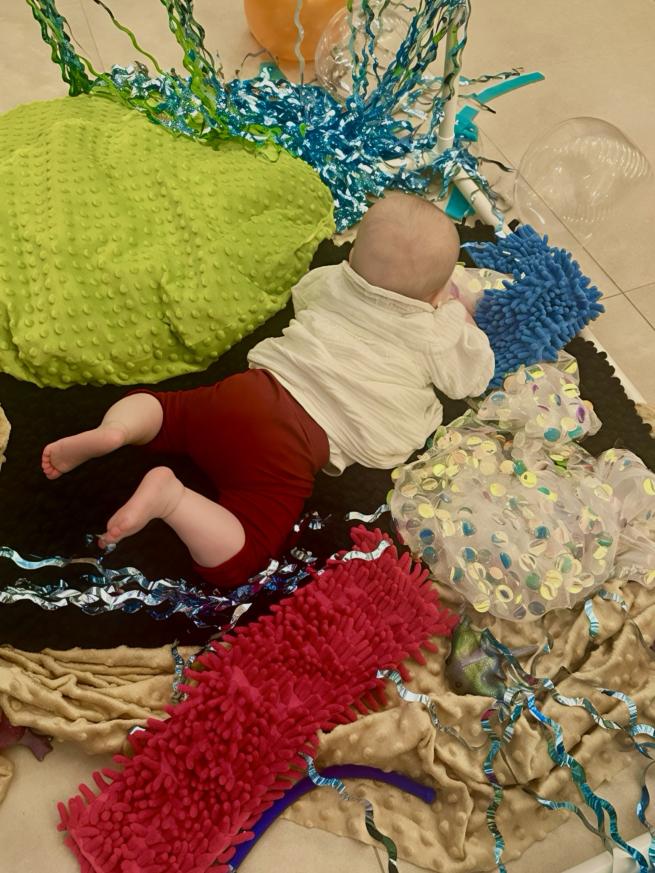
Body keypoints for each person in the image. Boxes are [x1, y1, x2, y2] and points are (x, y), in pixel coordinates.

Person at [41, 193, 494, 588]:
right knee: (243, 556)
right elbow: (469, 377)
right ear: (437, 291)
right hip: (290, 448)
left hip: (247, 392)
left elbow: (307, 295)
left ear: (354, 254)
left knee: (170, 410)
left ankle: (117, 430)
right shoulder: (435, 328)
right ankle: (170, 498)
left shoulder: (332, 280)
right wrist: (455, 312)